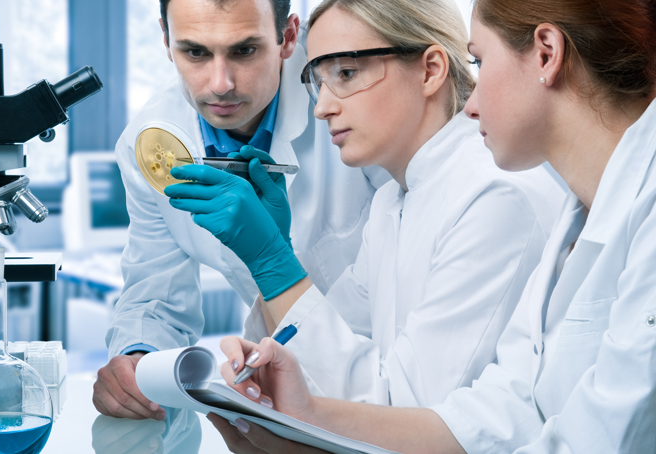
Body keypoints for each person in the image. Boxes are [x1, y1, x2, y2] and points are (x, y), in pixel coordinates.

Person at [206, 0, 656, 452]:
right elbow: (504, 415)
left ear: (546, 54)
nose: (471, 101)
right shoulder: (578, 211)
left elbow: (615, 442)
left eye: (479, 61)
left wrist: (273, 264)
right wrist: (310, 417)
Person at [165, 0, 562, 409]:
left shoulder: (494, 197)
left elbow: (410, 414)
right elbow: (329, 352)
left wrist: (270, 260)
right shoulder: (393, 199)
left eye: (346, 73)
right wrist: (268, 348)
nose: (322, 108)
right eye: (319, 81)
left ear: (430, 71)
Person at [93, 0, 390, 420]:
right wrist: (135, 357)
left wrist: (273, 255)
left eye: (244, 51)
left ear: (287, 36)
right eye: (195, 52)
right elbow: (157, 296)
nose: (220, 84)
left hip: (395, 377)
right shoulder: (149, 144)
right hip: (291, 388)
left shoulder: (351, 98)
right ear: (165, 39)